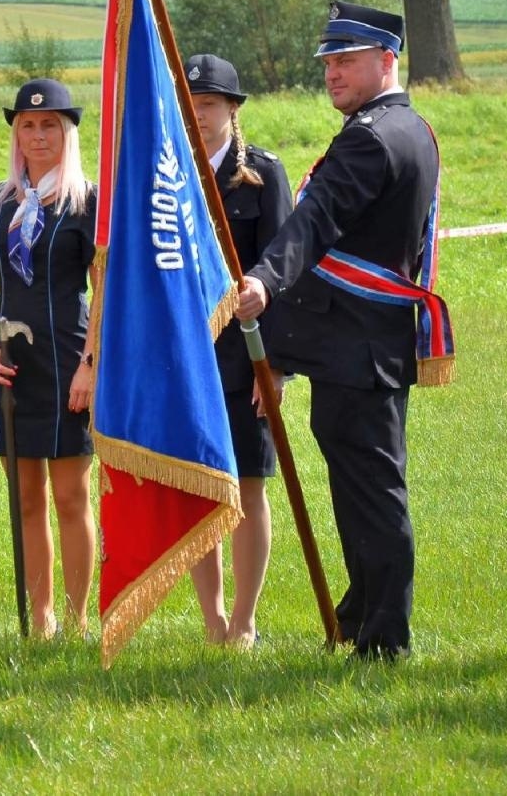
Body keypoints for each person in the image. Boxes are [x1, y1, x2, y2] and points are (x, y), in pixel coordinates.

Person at [234, 1, 441, 661]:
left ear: (387, 60)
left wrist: (264, 278)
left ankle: (386, 637)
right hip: (362, 342)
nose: (333, 73)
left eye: (347, 61)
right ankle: (361, 615)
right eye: (328, 62)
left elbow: (313, 219)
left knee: (374, 495)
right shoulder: (409, 127)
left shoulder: (369, 137)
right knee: (363, 488)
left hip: (358, 344)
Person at [0, 78, 97, 639]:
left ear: (67, 132)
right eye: (27, 125)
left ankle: (75, 620)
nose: (38, 135)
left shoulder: (88, 201)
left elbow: (105, 283)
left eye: (49, 125)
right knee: (25, 499)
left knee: (71, 495)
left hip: (71, 359)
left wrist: (93, 364)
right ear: (15, 132)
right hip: (11, 365)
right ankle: (38, 621)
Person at [182, 54, 292, 650]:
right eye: (191, 106)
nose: (200, 116)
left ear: (232, 109)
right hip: (189, 359)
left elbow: (283, 272)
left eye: (210, 105)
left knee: (248, 485)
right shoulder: (166, 181)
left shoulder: (262, 176)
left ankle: (245, 620)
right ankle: (212, 619)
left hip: (245, 358)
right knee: (203, 485)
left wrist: (272, 363)